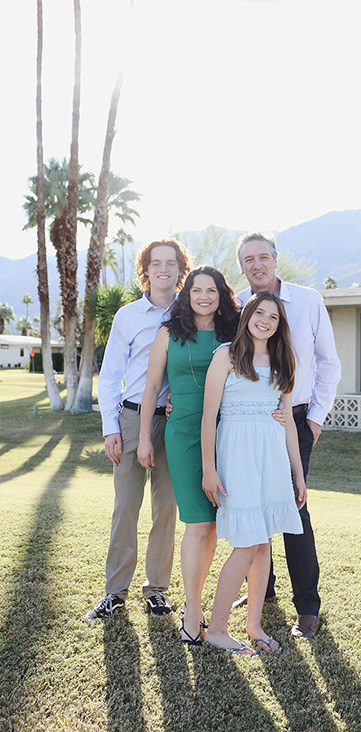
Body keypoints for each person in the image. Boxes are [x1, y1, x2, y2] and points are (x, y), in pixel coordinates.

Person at [232, 231, 341, 640]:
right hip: (246, 423)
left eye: (263, 257)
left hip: (295, 420)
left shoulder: (309, 300)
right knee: (253, 504)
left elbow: (329, 364)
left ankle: (308, 608)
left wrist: (314, 419)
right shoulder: (237, 305)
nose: (256, 265)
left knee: (294, 508)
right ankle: (264, 589)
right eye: (248, 259)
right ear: (241, 266)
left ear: (276, 260)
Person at [86, 238, 191, 622]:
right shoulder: (128, 316)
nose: (164, 269)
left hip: (175, 423)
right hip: (130, 421)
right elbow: (110, 376)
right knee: (126, 507)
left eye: (172, 262)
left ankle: (157, 591)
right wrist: (110, 428)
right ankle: (115, 592)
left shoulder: (190, 312)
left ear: (181, 269)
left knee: (167, 509)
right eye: (156, 262)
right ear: (144, 269)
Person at [136, 265, 241, 645]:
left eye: (211, 290)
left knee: (213, 524)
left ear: (221, 295)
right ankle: (192, 610)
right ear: (187, 294)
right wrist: (146, 438)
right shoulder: (169, 333)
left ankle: (203, 605)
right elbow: (151, 388)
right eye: (196, 290)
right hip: (182, 436)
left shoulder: (235, 332)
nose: (203, 296)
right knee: (197, 522)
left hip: (228, 435)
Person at [200, 291, 307, 655]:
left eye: (273, 317)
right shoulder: (227, 355)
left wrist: (298, 474)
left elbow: (289, 421)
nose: (265, 320)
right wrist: (209, 470)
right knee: (247, 544)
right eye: (259, 312)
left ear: (280, 325)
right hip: (238, 456)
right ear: (247, 315)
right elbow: (208, 415)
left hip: (271, 457)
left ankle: (255, 626)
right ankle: (216, 629)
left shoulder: (282, 360)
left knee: (263, 544)